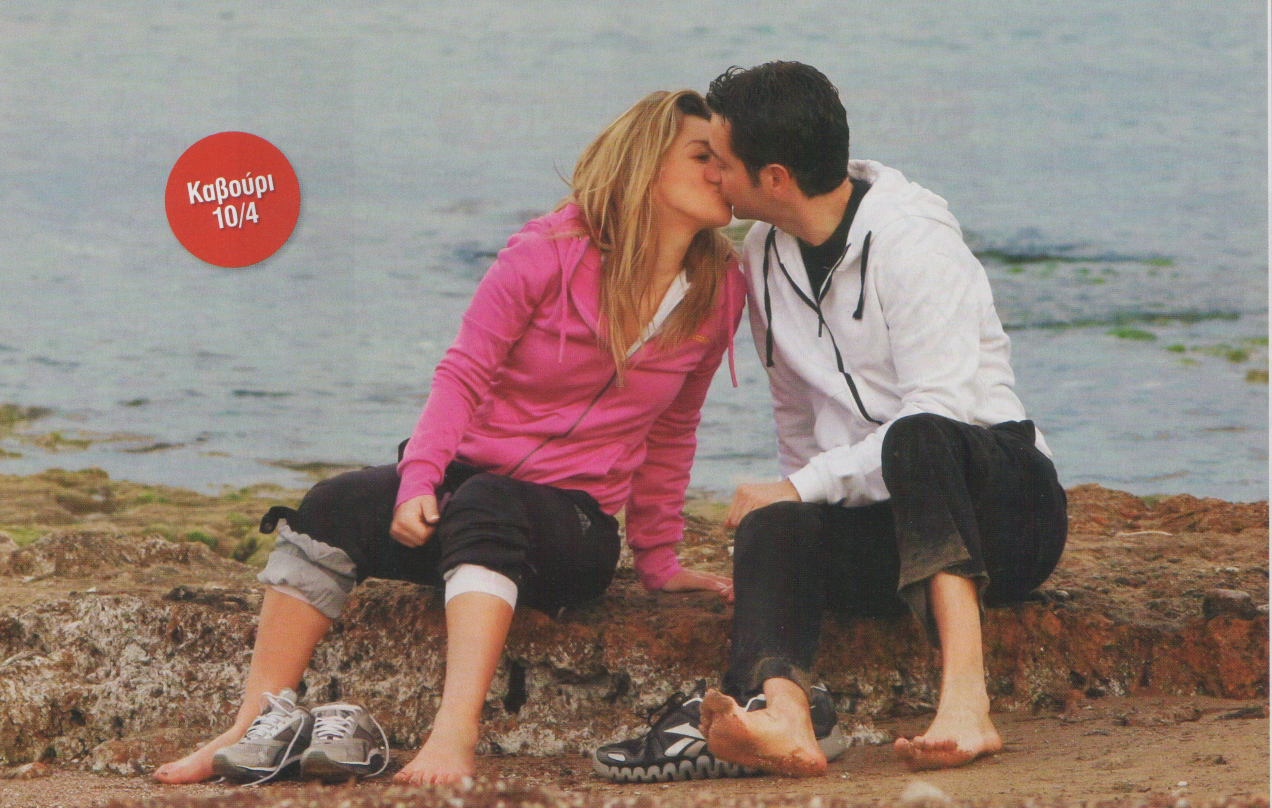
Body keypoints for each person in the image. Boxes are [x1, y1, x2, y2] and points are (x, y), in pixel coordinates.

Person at [153, 88, 747, 787]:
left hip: (572, 527)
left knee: (489, 503)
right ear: (643, 165)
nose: (722, 173)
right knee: (334, 504)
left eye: (726, 159)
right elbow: (464, 373)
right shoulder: (547, 253)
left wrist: (659, 558)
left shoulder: (719, 288)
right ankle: (250, 726)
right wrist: (419, 479)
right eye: (703, 156)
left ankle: (452, 735)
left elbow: (674, 428)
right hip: (471, 493)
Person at [593, 62, 1066, 781]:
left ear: (774, 177)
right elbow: (795, 412)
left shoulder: (913, 240)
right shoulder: (763, 254)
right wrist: (795, 511)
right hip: (893, 530)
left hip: (1003, 515)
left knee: (916, 437)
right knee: (773, 522)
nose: (713, 174)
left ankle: (967, 704)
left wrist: (804, 484)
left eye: (721, 161)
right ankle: (784, 717)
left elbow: (939, 409)